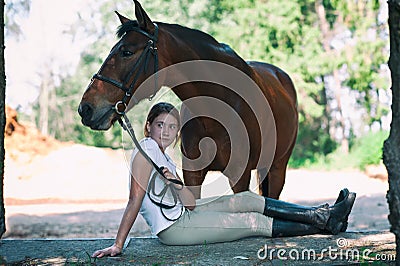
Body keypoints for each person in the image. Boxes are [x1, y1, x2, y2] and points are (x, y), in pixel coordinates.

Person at [92, 102, 356, 258]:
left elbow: (189, 202)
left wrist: (174, 181)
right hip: (174, 229)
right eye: (161, 125)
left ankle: (322, 214)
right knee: (252, 221)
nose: (167, 132)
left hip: (186, 213)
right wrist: (118, 244)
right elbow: (134, 201)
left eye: (173, 127)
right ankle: (325, 224)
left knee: (247, 198)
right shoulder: (145, 153)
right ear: (148, 126)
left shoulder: (162, 156)